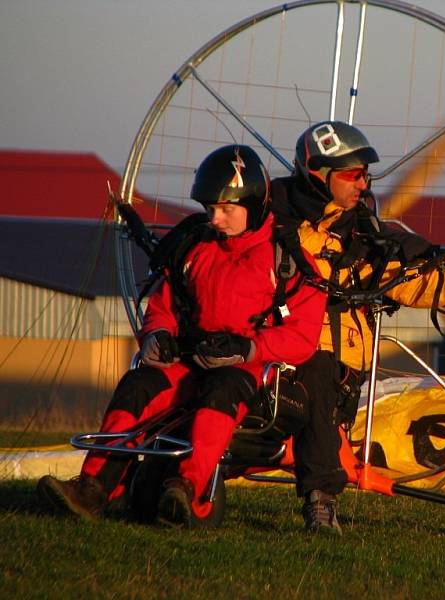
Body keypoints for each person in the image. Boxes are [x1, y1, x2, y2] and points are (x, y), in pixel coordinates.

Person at [271, 120, 445, 534]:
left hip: (328, 364)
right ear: (318, 177)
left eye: (366, 175)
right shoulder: (264, 222)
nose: (363, 184)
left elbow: (435, 282)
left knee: (321, 374)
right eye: (352, 175)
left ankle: (321, 501)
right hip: (265, 351)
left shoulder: (367, 241)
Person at [37, 145, 326, 526]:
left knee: (221, 392)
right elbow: (163, 305)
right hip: (186, 363)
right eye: (210, 209)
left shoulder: (286, 260)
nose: (215, 219)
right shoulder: (194, 247)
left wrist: (248, 347)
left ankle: (187, 487)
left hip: (246, 372)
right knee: (137, 386)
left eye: (226, 209)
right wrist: (157, 336)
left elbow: (303, 336)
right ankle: (93, 489)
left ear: (255, 204)